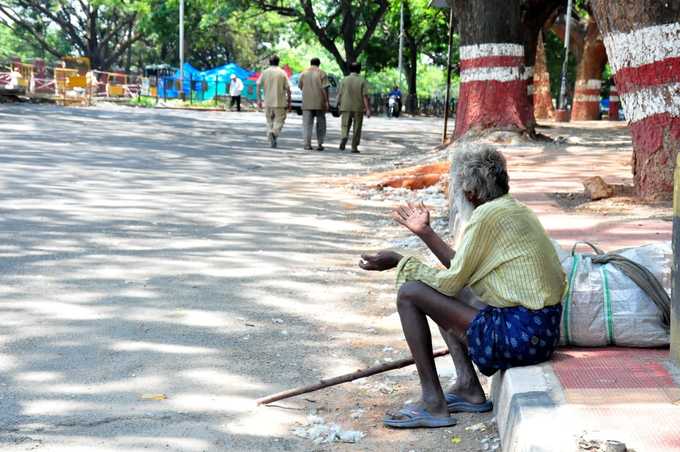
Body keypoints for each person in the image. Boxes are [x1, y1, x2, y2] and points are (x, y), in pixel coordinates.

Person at [359, 145, 566, 429]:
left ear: (470, 194)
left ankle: (433, 403)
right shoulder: (513, 209)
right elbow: (461, 273)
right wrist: (425, 233)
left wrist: (399, 261)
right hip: (541, 333)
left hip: (521, 336)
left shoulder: (485, 216)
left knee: (410, 293)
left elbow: (452, 279)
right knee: (442, 292)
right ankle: (468, 387)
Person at [257, 55, 291, 148]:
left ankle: (271, 138)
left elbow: (258, 85)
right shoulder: (282, 73)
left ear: (269, 62)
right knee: (279, 120)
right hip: (280, 101)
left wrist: (259, 100)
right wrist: (289, 101)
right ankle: (274, 133)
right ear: (278, 62)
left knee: (269, 121)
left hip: (267, 101)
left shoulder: (265, 72)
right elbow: (288, 88)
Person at [337, 62, 371, 153]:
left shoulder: (344, 80)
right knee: (357, 127)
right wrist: (367, 109)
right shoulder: (362, 81)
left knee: (345, 125)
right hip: (358, 107)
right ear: (359, 70)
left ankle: (344, 136)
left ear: (350, 69)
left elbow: (340, 94)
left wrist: (338, 104)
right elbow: (365, 96)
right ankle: (354, 147)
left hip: (345, 106)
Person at [298, 57, 330, 151]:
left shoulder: (303, 73)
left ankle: (307, 144)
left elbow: (300, 86)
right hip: (319, 102)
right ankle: (320, 144)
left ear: (310, 63)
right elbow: (325, 88)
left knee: (307, 124)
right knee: (321, 123)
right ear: (319, 64)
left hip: (307, 102)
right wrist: (327, 101)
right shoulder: (322, 73)